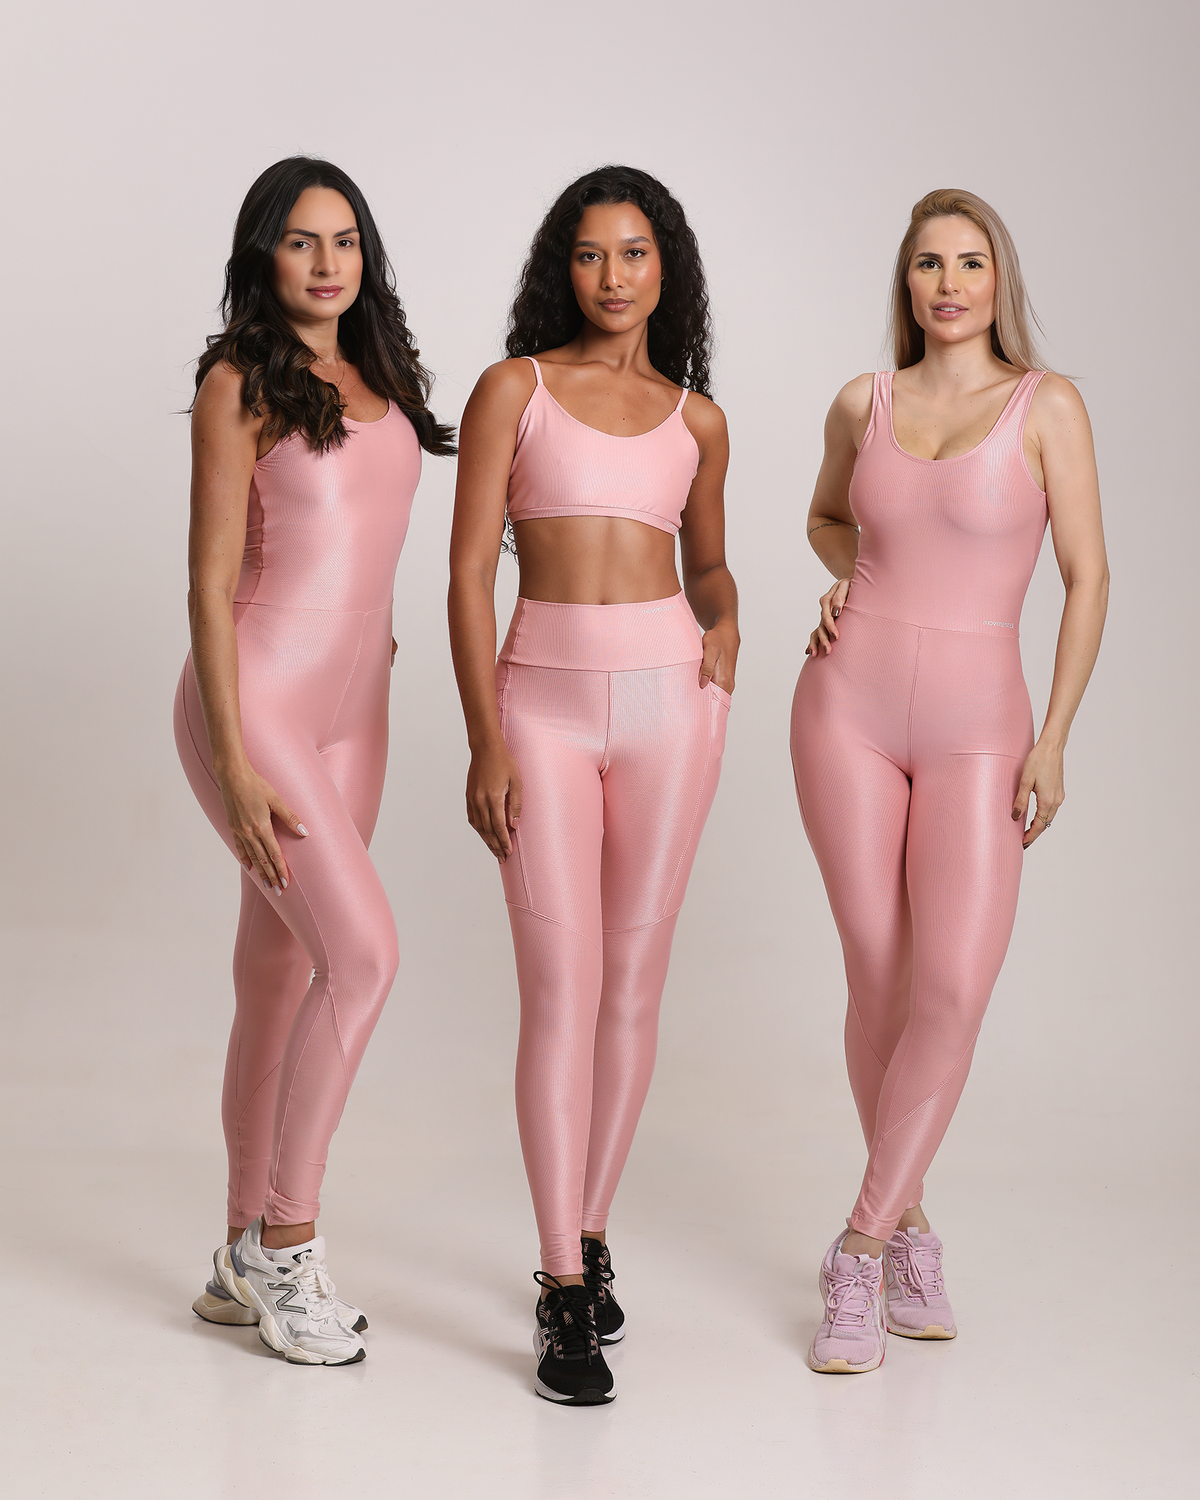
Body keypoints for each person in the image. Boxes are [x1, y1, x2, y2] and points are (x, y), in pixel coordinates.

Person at [790, 188, 1108, 1374]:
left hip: (983, 728)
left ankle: (861, 1245)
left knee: (954, 989)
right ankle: (911, 1226)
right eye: (929, 264)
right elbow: (828, 520)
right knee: (879, 980)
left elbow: (1088, 576)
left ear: (997, 279)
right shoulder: (861, 403)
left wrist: (1055, 735)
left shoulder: (1047, 405)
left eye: (970, 263)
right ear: (907, 282)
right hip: (846, 709)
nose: (949, 284)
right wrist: (846, 574)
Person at [448, 166, 738, 1405]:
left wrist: (728, 626)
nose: (612, 277)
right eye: (588, 254)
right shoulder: (512, 390)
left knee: (633, 982)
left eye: (633, 253)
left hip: (673, 703)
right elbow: (468, 575)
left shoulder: (697, 420)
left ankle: (594, 1223)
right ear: (559, 270)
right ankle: (561, 1284)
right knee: (559, 989)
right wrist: (485, 739)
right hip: (541, 708)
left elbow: (708, 567)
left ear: (666, 269)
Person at [175, 156, 453, 1366]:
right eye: (301, 240)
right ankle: (287, 1244)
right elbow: (206, 583)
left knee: (279, 974)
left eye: (345, 240)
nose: (328, 261)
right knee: (366, 954)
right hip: (259, 705)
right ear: (264, 255)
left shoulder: (381, 376)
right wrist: (234, 756)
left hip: (358, 713)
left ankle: (237, 1254)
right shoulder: (240, 383)